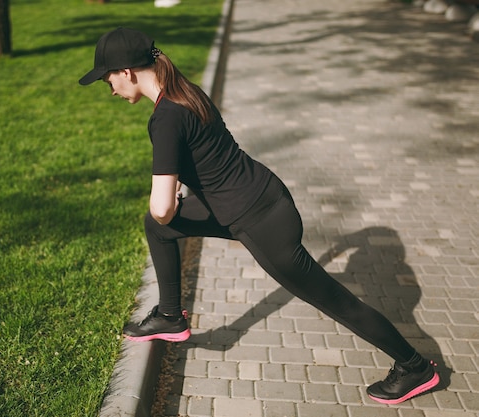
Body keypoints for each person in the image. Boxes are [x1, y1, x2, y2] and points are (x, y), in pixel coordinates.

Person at [78, 27, 440, 405]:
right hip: (257, 197)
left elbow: (164, 207)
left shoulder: (166, 119)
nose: (110, 89)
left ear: (126, 72)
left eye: (107, 80)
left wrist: (165, 200)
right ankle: (170, 316)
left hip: (262, 224)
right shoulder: (184, 91)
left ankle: (415, 367)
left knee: (337, 301)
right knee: (157, 228)